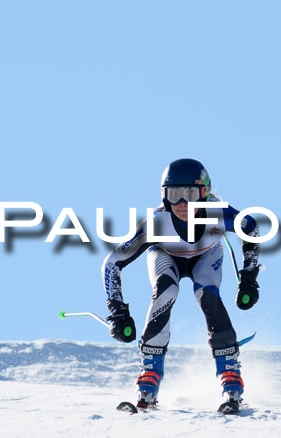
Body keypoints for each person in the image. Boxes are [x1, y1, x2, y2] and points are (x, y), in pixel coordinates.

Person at [101, 158, 261, 414]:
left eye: (191, 194)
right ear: (164, 197)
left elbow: (251, 228)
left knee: (206, 293)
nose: (183, 205)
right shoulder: (157, 223)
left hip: (206, 255)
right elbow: (112, 262)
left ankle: (230, 375)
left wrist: (249, 278)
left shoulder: (218, 212)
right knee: (167, 291)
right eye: (174, 195)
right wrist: (117, 310)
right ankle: (149, 377)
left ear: (205, 193)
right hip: (166, 255)